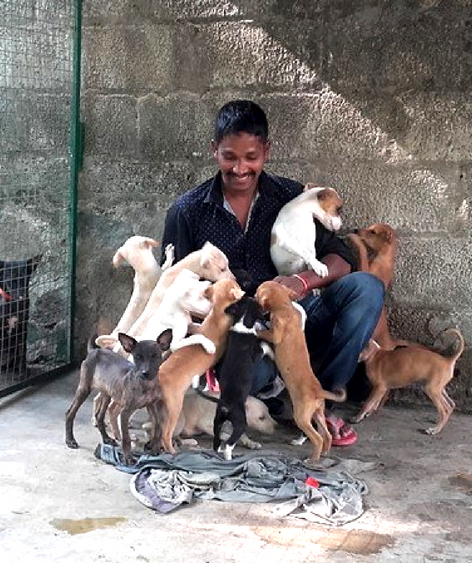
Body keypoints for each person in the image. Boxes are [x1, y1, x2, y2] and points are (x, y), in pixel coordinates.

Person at [160, 100, 383, 447]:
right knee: (250, 376)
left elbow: (340, 260)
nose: (239, 168)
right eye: (229, 156)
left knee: (365, 289)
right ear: (214, 151)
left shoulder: (293, 197)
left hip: (297, 315)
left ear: (266, 150)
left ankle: (319, 400)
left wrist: (301, 281)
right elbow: (170, 286)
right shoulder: (188, 211)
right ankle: (275, 397)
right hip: (237, 334)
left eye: (251, 157)